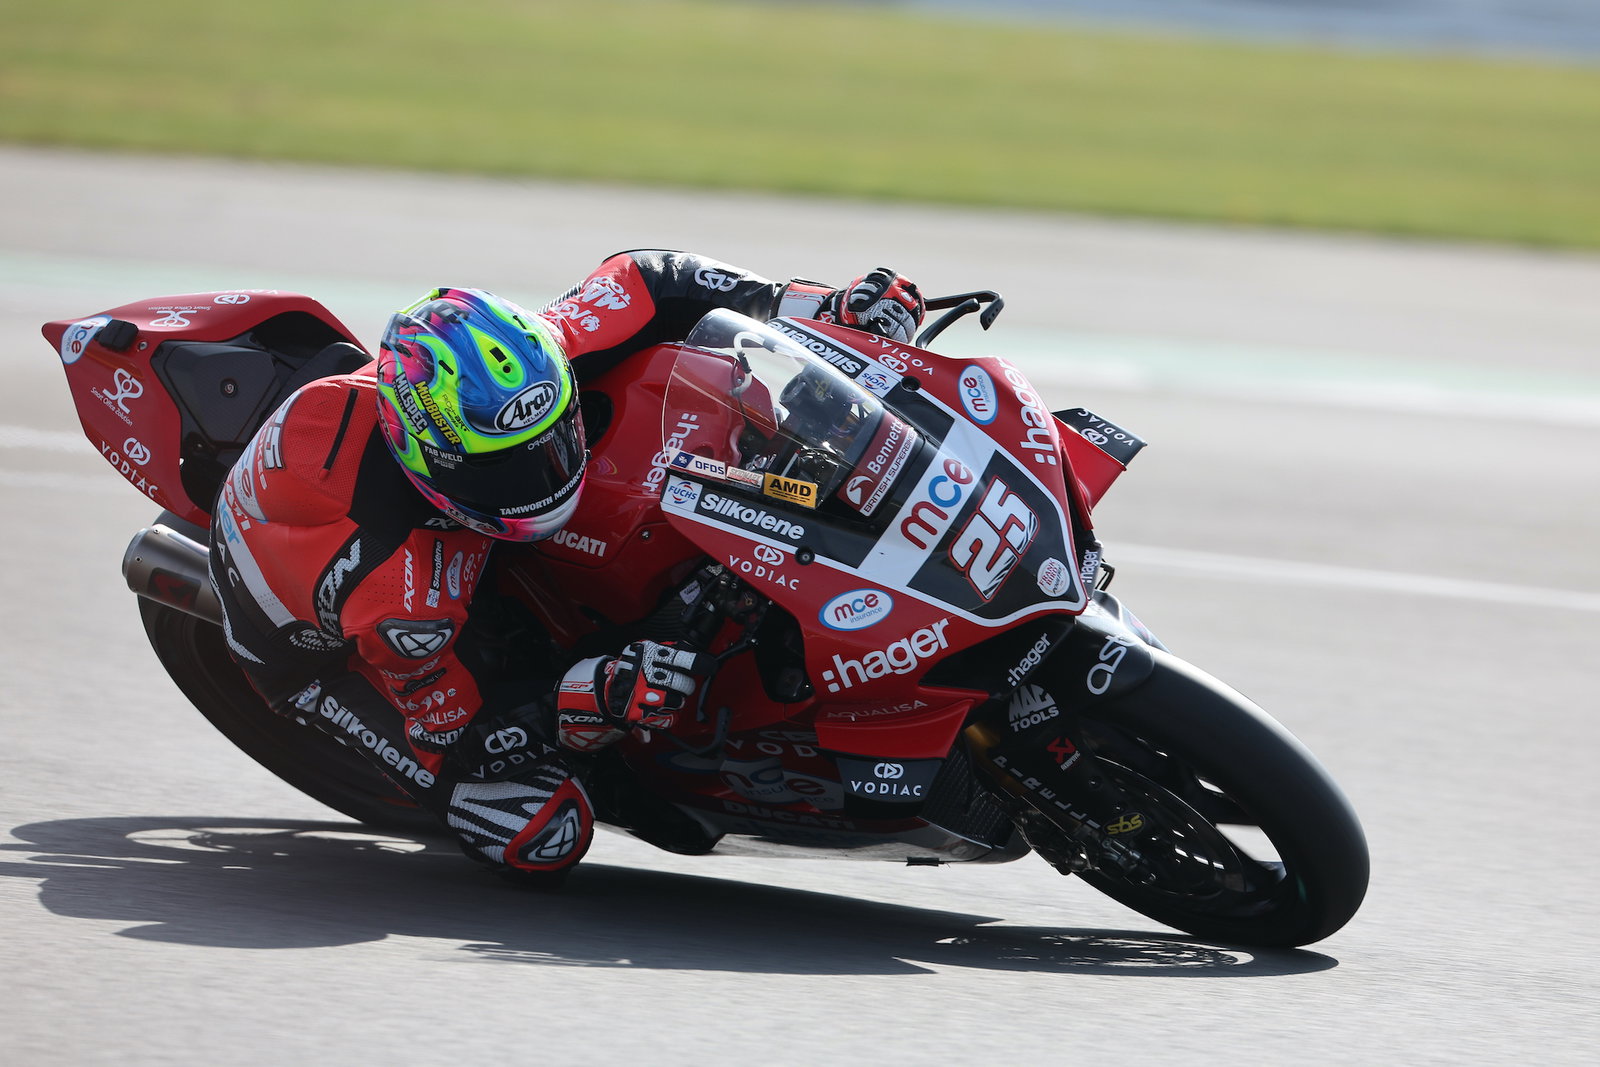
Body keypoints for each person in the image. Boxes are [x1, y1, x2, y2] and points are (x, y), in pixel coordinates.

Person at [207, 250, 925, 879]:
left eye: (553, 439)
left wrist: (818, 305)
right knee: (539, 827)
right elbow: (459, 730)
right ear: (426, 459)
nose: (545, 476)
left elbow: (654, 276)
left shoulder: (530, 361)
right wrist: (590, 695)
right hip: (315, 654)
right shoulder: (402, 589)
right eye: (509, 471)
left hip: (381, 506)